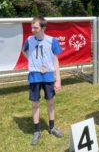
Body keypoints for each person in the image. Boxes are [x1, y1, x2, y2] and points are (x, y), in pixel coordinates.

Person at [22, 16, 64, 146]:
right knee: (35, 104)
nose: (32, 29)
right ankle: (36, 130)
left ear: (43, 28)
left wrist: (58, 80)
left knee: (50, 102)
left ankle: (51, 127)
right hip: (34, 76)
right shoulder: (29, 39)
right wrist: (33, 61)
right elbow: (24, 51)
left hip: (48, 76)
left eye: (35, 27)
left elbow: (56, 60)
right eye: (32, 27)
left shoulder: (52, 41)